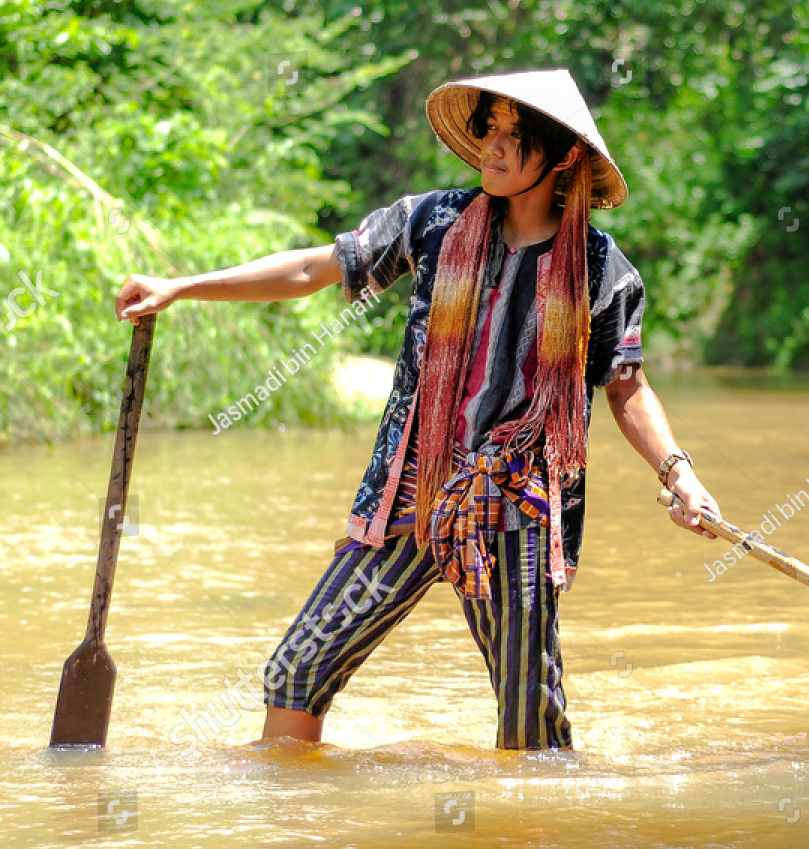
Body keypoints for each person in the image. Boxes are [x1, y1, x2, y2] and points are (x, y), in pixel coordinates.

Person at [114, 68, 721, 751]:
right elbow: (316, 268)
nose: (490, 145)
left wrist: (679, 474)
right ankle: (288, 823)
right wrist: (181, 286)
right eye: (487, 127)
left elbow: (626, 386)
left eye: (513, 136)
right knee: (298, 670)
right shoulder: (433, 221)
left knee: (530, 726)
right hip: (412, 490)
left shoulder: (602, 269)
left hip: (516, 509)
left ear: (565, 157)